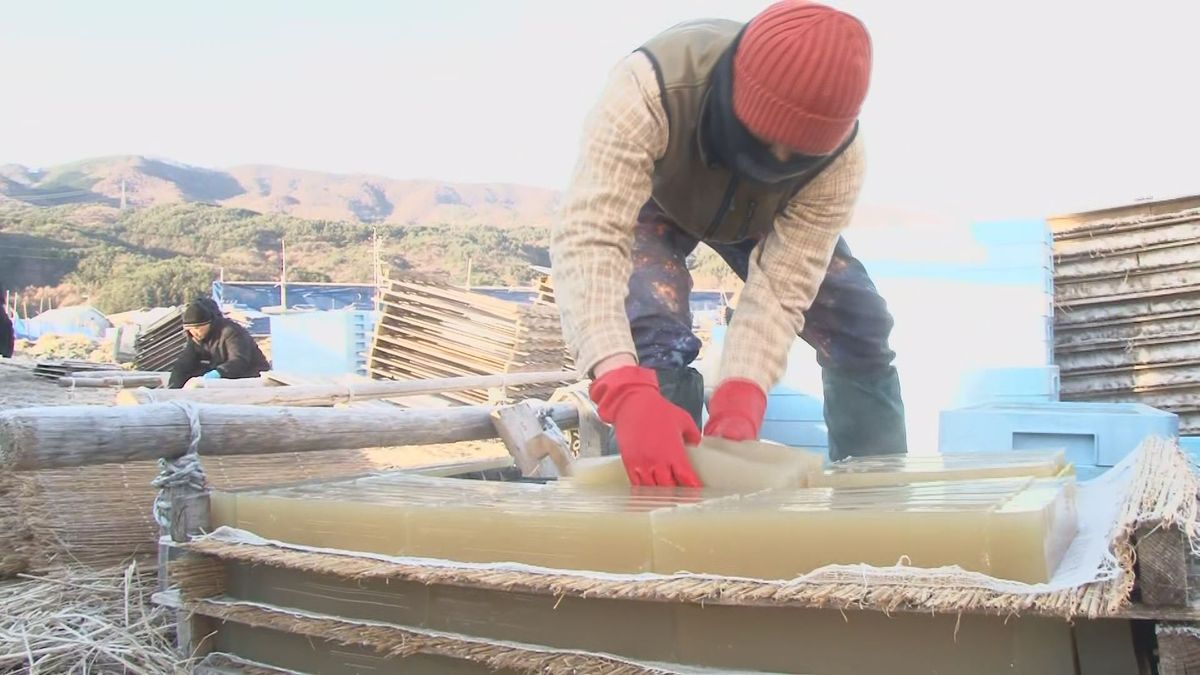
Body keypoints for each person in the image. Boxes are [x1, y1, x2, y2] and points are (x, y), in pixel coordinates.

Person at [550, 0, 906, 487]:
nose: (774, 160)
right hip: (657, 196)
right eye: (760, 143)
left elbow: (782, 287)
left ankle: (876, 504)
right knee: (653, 331)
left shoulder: (837, 164)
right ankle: (652, 510)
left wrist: (744, 390)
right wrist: (622, 387)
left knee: (857, 320)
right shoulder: (648, 89)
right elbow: (590, 236)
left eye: (793, 156)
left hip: (765, 213)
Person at [168, 298, 270, 388]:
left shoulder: (231, 332)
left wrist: (218, 373)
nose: (194, 332)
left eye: (198, 328)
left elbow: (239, 361)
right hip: (221, 374)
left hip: (250, 376)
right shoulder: (195, 339)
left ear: (209, 324)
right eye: (190, 329)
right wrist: (173, 387)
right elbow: (184, 363)